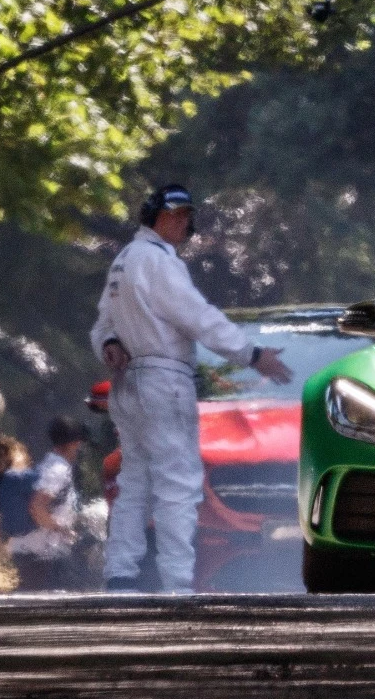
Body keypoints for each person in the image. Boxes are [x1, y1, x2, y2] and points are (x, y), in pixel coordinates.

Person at [91, 184, 291, 593]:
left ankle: (121, 575)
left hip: (128, 382)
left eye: (187, 215)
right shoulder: (160, 262)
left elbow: (102, 325)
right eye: (175, 214)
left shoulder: (124, 261)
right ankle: (179, 584)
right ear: (154, 216)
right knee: (178, 483)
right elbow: (196, 317)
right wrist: (251, 354)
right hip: (164, 379)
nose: (184, 223)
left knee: (135, 482)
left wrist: (108, 345)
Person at [6, 417, 86, 591]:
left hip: (31, 551)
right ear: (74, 444)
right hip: (42, 553)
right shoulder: (58, 469)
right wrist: (62, 529)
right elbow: (38, 507)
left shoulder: (48, 464)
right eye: (79, 443)